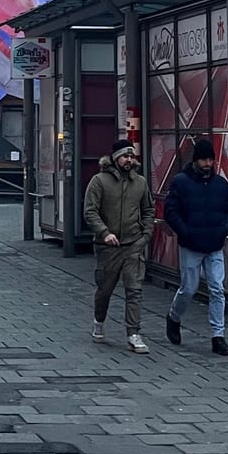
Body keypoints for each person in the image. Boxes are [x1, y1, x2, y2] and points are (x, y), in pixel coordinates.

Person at [163, 138, 228, 356]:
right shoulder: (181, 182)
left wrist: (224, 229)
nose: (207, 164)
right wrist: (186, 232)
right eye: (204, 159)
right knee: (189, 288)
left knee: (217, 288)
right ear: (195, 160)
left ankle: (218, 336)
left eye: (210, 159)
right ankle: (174, 317)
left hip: (214, 244)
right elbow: (171, 211)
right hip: (192, 244)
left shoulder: (220, 184)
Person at [84, 141, 152, 353]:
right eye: (124, 156)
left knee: (134, 290)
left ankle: (133, 333)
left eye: (131, 156)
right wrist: (104, 232)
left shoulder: (140, 183)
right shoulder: (99, 181)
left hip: (133, 244)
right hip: (108, 247)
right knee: (105, 290)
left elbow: (149, 210)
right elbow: (90, 211)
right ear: (114, 158)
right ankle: (99, 321)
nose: (129, 160)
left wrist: (145, 236)